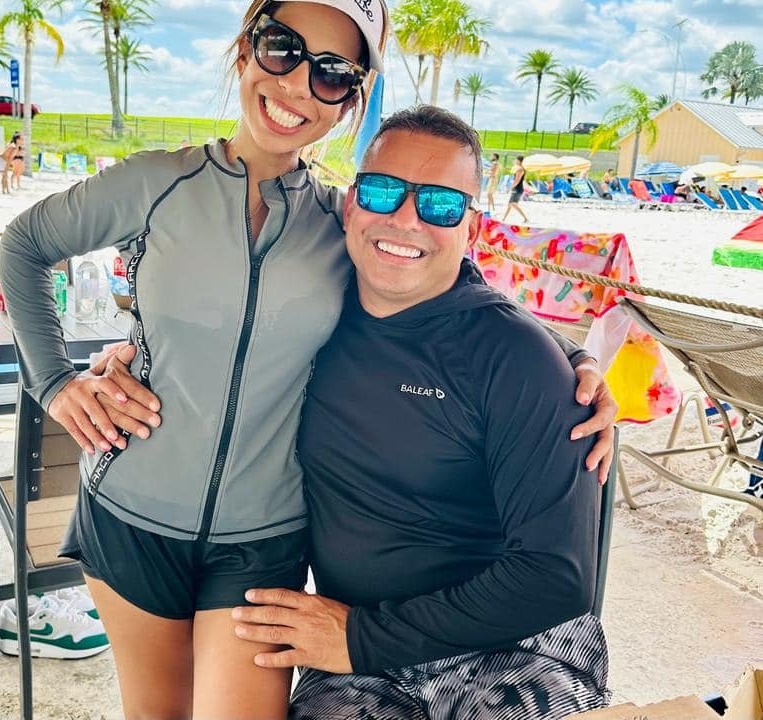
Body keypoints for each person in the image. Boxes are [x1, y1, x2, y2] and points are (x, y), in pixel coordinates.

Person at [0, 0, 615, 720]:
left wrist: (565, 363)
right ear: (244, 48)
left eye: (331, 75)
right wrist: (56, 383)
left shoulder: (334, 225)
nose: (297, 84)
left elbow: (441, 280)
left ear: (348, 102)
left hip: (260, 543)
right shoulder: (156, 183)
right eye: (281, 48)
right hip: (129, 512)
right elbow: (24, 245)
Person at [231, 107, 610, 719]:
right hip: (359, 656)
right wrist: (125, 359)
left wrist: (361, 638)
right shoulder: (304, 317)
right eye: (383, 192)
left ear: (472, 228)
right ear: (351, 205)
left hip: (516, 646)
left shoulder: (518, 359)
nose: (406, 220)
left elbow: (556, 576)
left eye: (440, 204)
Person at [502, 154, 527, 222]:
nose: (515, 161)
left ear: (518, 161)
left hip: (517, 188)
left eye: (516, 160)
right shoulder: (521, 168)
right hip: (518, 188)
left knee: (513, 204)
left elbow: (517, 180)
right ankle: (504, 218)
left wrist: (510, 188)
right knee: (510, 204)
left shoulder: (520, 169)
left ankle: (525, 218)